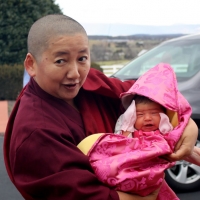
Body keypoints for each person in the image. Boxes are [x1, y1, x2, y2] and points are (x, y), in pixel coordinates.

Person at [3, 14, 198, 200]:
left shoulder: (91, 83)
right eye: (60, 61)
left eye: (82, 59)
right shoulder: (36, 131)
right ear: (31, 64)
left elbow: (152, 95)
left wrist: (187, 125)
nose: (75, 74)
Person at [77, 64, 192, 200]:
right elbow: (120, 147)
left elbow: (180, 128)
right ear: (131, 116)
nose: (148, 118)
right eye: (140, 115)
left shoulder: (164, 135)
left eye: (154, 113)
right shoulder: (128, 135)